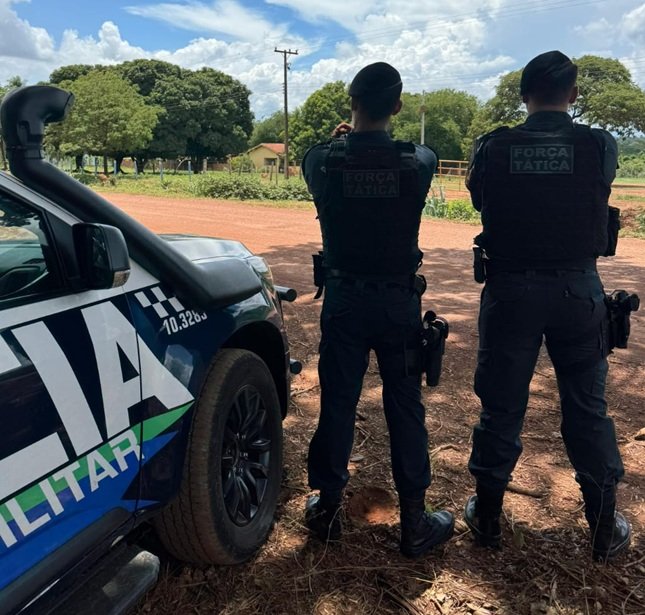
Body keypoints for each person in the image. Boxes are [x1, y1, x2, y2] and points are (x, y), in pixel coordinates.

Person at [464, 50, 630, 561]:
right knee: (588, 410)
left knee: (501, 407)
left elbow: (479, 199)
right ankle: (603, 528)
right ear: (573, 95)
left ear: (523, 96)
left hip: (510, 292)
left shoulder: (493, 146)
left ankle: (487, 519)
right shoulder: (599, 144)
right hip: (578, 291)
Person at [301, 62, 454, 558]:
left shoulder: (320, 160)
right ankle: (414, 522)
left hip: (344, 302)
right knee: (404, 405)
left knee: (338, 402)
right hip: (397, 303)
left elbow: (321, 159)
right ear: (398, 106)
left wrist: (341, 142)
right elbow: (418, 155)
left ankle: (327, 511)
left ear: (352, 104)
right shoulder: (419, 161)